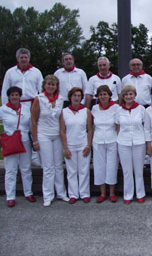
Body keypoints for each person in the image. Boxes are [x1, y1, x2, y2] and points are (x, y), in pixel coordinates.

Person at [31, 75, 69, 207]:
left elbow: (61, 119)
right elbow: (34, 120)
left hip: (56, 134)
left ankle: (61, 193)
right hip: (43, 134)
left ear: (56, 86)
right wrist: (35, 140)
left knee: (58, 165)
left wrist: (63, 136)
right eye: (49, 84)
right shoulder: (39, 99)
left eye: (53, 85)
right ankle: (48, 195)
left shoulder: (60, 99)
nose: (51, 87)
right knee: (48, 167)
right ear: (44, 85)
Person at [0, 86, 36, 207]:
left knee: (26, 169)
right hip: (11, 143)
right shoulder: (3, 109)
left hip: (24, 141)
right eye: (12, 95)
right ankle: (10, 196)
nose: (15, 97)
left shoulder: (25, 108)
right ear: (9, 97)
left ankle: (28, 192)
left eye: (17, 95)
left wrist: (34, 140)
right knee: (11, 170)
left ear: (20, 96)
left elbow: (31, 125)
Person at [60, 87, 93, 204]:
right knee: (71, 171)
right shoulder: (64, 112)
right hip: (70, 145)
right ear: (70, 97)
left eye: (79, 96)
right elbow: (62, 131)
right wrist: (65, 148)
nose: (77, 98)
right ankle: (73, 194)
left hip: (83, 144)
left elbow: (89, 130)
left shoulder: (86, 111)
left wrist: (88, 145)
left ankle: (84, 193)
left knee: (84, 170)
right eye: (74, 95)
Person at [116, 85, 147, 204]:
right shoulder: (118, 110)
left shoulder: (141, 109)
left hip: (139, 141)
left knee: (138, 170)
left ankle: (140, 193)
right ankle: (128, 194)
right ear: (123, 97)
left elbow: (145, 125)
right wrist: (119, 139)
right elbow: (118, 126)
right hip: (123, 142)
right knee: (127, 170)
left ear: (135, 95)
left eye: (131, 94)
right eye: (126, 94)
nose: (129, 97)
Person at [91, 85, 119, 203]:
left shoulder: (116, 107)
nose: (103, 96)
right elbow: (91, 125)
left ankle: (112, 193)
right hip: (98, 141)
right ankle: (102, 193)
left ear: (109, 95)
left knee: (112, 166)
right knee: (99, 167)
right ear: (98, 96)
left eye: (105, 94)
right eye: (101, 94)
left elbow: (118, 126)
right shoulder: (94, 108)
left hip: (112, 140)